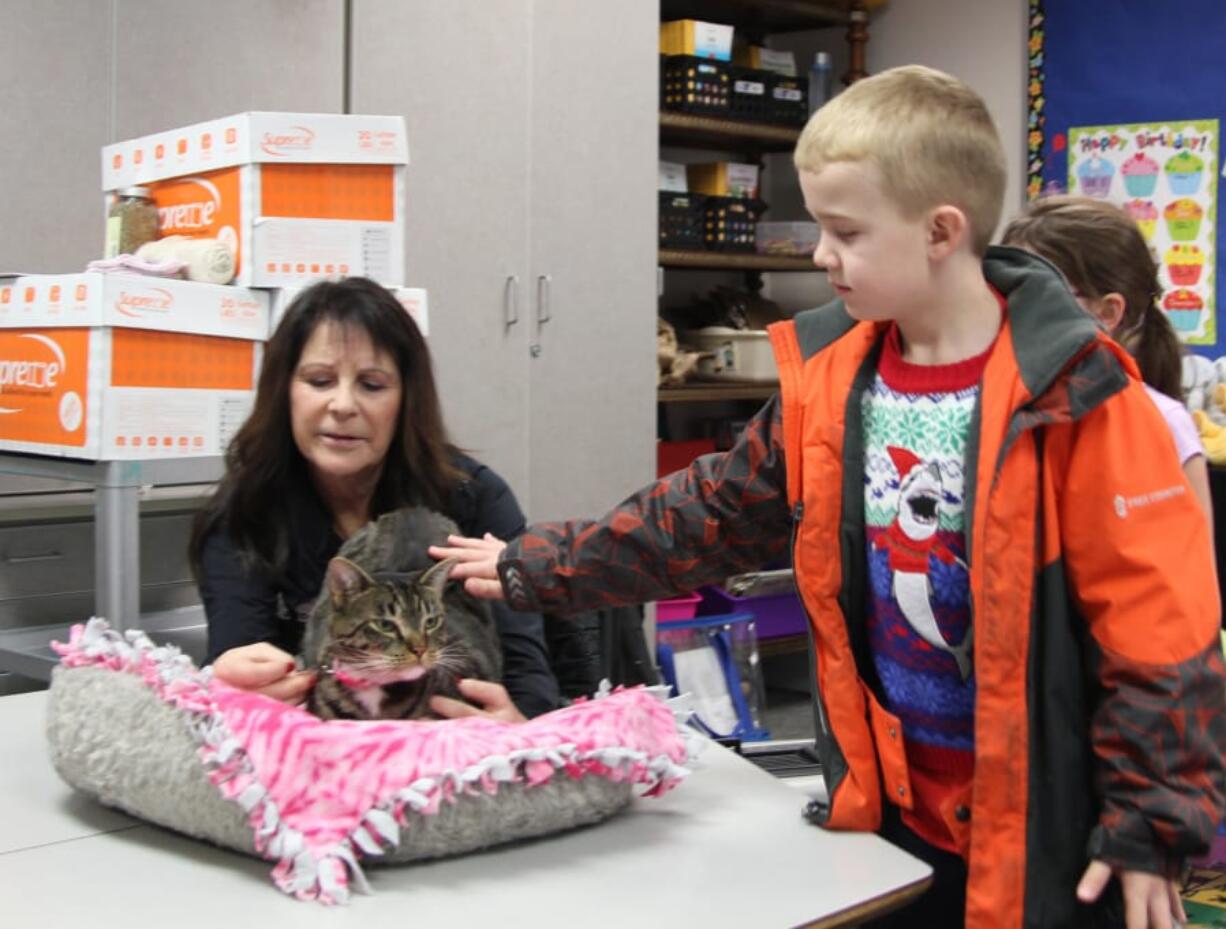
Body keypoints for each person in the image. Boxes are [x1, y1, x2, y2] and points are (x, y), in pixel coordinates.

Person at [431, 66, 1226, 928]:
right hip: (890, 813)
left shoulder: (1082, 393)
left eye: (844, 231)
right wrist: (534, 561)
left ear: (940, 231)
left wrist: (1148, 824)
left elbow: (1160, 633)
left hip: (1055, 835)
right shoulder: (835, 380)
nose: (819, 254)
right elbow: (707, 515)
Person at [189, 276, 560, 721]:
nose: (342, 405)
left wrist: (517, 722)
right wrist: (234, 686)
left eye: (372, 385)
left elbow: (529, 676)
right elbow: (238, 654)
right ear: (284, 389)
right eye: (320, 380)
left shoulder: (472, 499)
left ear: (406, 399)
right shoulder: (244, 516)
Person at [1001, 194, 1213, 523]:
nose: (1010, 310)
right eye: (1004, 289)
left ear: (1108, 311)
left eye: (1034, 294)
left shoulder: (1163, 423)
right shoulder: (1000, 409)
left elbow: (1192, 569)